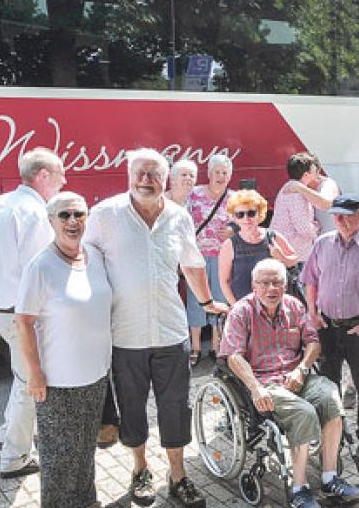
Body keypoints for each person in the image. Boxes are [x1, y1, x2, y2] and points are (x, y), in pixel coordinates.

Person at [84, 148, 228, 507]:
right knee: (132, 408)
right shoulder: (104, 216)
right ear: (128, 175)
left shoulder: (179, 217)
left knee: (175, 406)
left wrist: (208, 303)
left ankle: (178, 475)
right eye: (140, 172)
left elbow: (193, 265)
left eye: (154, 174)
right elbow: (83, 264)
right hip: (125, 334)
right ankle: (140, 469)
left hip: (171, 331)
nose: (146, 179)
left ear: (165, 179)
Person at [221, 259, 359, 507]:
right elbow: (233, 356)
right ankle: (299, 489)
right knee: (304, 412)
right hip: (265, 383)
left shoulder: (295, 306)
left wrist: (302, 368)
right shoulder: (242, 311)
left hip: (297, 375)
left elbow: (313, 342)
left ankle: (330, 478)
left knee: (331, 397)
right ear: (254, 286)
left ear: (285, 285)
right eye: (264, 283)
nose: (271, 289)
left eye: (277, 282)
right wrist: (255, 388)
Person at [0, 147, 66, 478]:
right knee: (32, 383)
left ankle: (5, 437)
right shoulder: (36, 213)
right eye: (59, 175)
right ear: (42, 176)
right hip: (21, 315)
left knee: (21, 377)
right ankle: (15, 457)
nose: (63, 181)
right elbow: (41, 271)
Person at [16, 192, 112, 507]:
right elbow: (23, 323)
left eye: (79, 214)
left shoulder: (94, 256)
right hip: (58, 383)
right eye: (64, 215)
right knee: (59, 461)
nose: (72, 221)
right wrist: (35, 374)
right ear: (51, 220)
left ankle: (88, 501)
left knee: (84, 452)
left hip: (95, 376)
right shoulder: (41, 266)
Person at [302, 195, 359, 465]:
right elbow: (311, 280)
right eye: (337, 216)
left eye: (347, 215)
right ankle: (335, 435)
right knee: (328, 387)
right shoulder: (322, 244)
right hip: (328, 327)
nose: (341, 221)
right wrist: (312, 312)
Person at [185, 155, 234, 364]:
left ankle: (216, 345)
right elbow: (182, 220)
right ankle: (195, 347)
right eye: (217, 172)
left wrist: (233, 229)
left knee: (219, 299)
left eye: (225, 173)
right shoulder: (194, 195)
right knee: (197, 300)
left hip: (222, 256)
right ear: (209, 173)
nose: (221, 176)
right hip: (196, 257)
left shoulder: (234, 198)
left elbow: (245, 221)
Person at [218, 190, 298, 305]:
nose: (246, 219)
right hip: (245, 308)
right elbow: (224, 281)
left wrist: (281, 257)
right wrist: (236, 307)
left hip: (274, 305)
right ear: (234, 218)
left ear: (260, 214)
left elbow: (294, 260)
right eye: (240, 215)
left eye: (251, 213)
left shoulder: (272, 236)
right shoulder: (229, 245)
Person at [271, 152, 322, 263]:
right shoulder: (296, 194)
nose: (318, 175)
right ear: (306, 175)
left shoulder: (290, 188)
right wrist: (316, 229)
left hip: (288, 250)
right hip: (293, 253)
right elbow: (303, 228)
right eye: (315, 171)